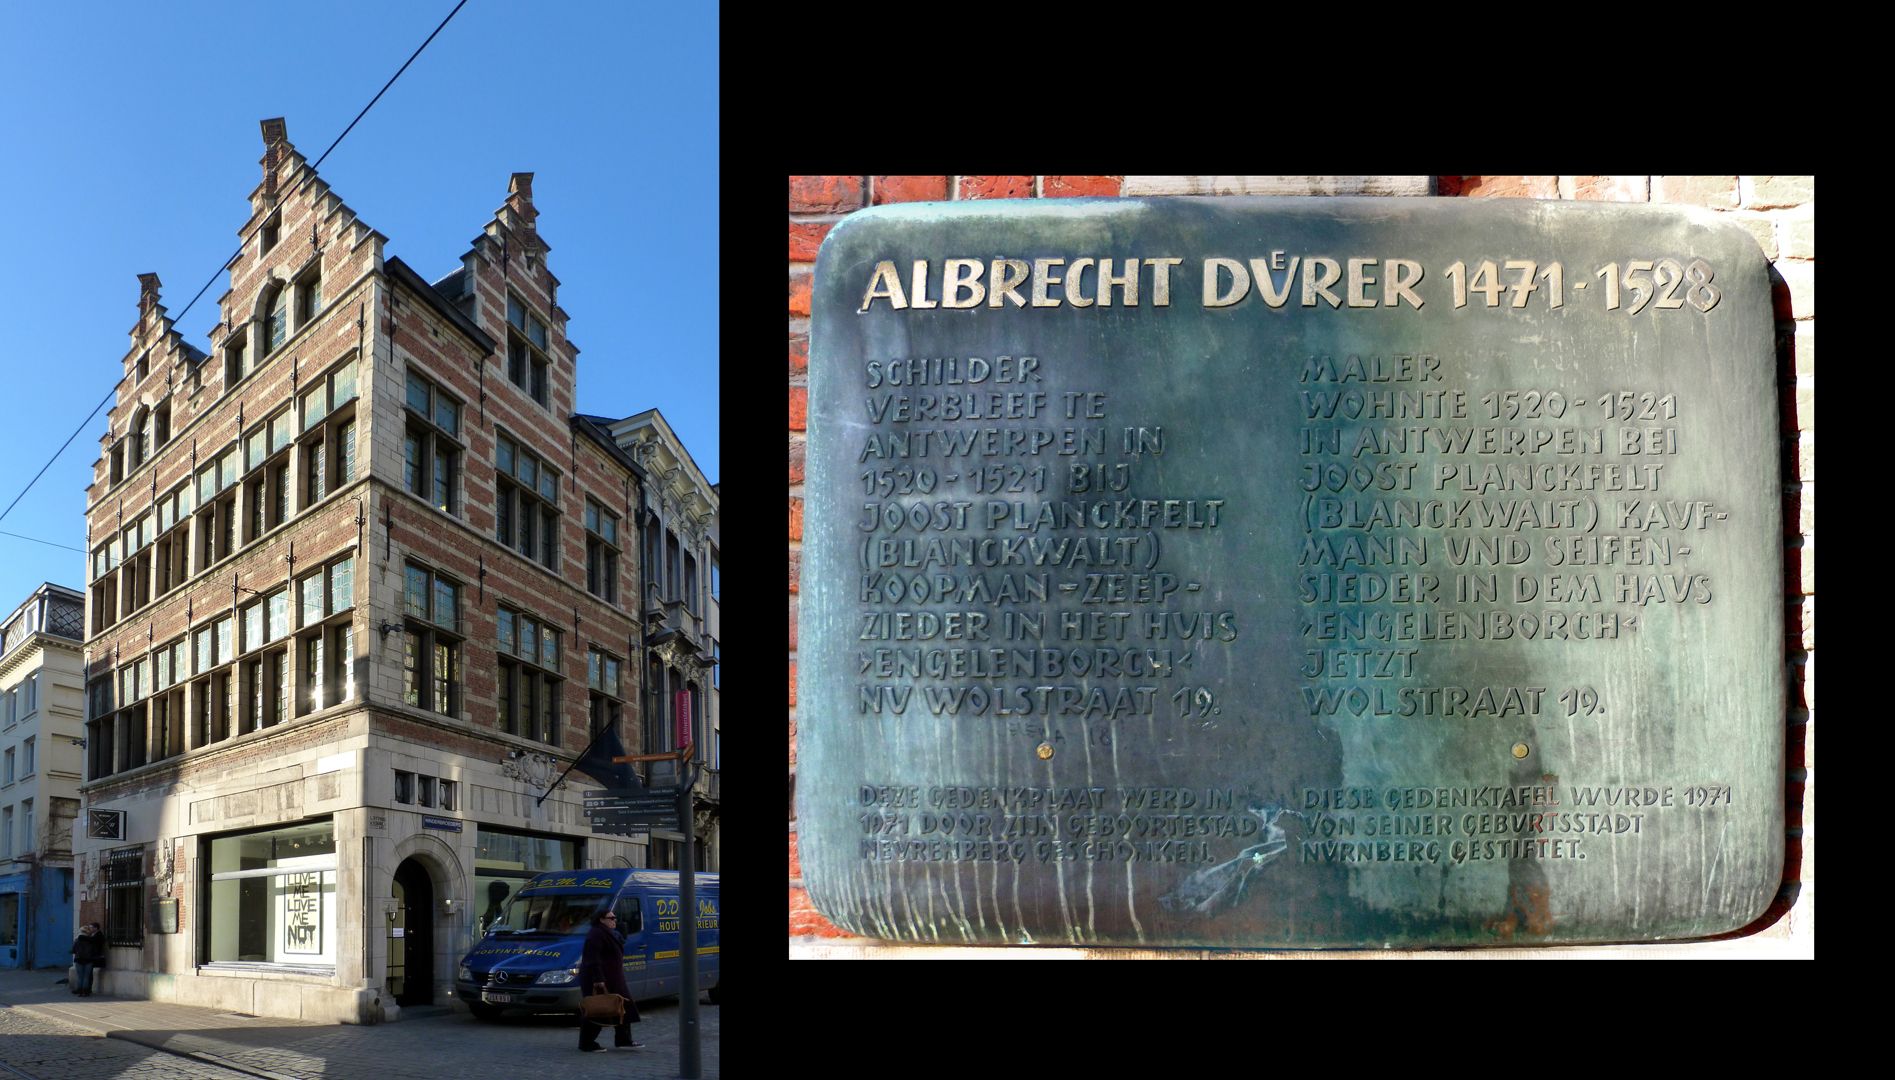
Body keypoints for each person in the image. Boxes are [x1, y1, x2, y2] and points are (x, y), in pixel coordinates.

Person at [576, 908, 641, 1052]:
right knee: (598, 1010)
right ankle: (586, 1043)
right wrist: (598, 978)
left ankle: (624, 1039)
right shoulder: (596, 934)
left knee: (623, 1006)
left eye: (615, 918)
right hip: (601, 979)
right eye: (611, 918)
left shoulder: (606, 933)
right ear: (601, 919)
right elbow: (592, 958)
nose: (614, 920)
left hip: (613, 977)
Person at [71, 923, 104, 996]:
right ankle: (85, 991)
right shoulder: (91, 941)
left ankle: (79, 991)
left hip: (79, 959)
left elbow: (73, 950)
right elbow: (94, 950)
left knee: (80, 977)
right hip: (89, 960)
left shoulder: (77, 940)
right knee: (86, 977)